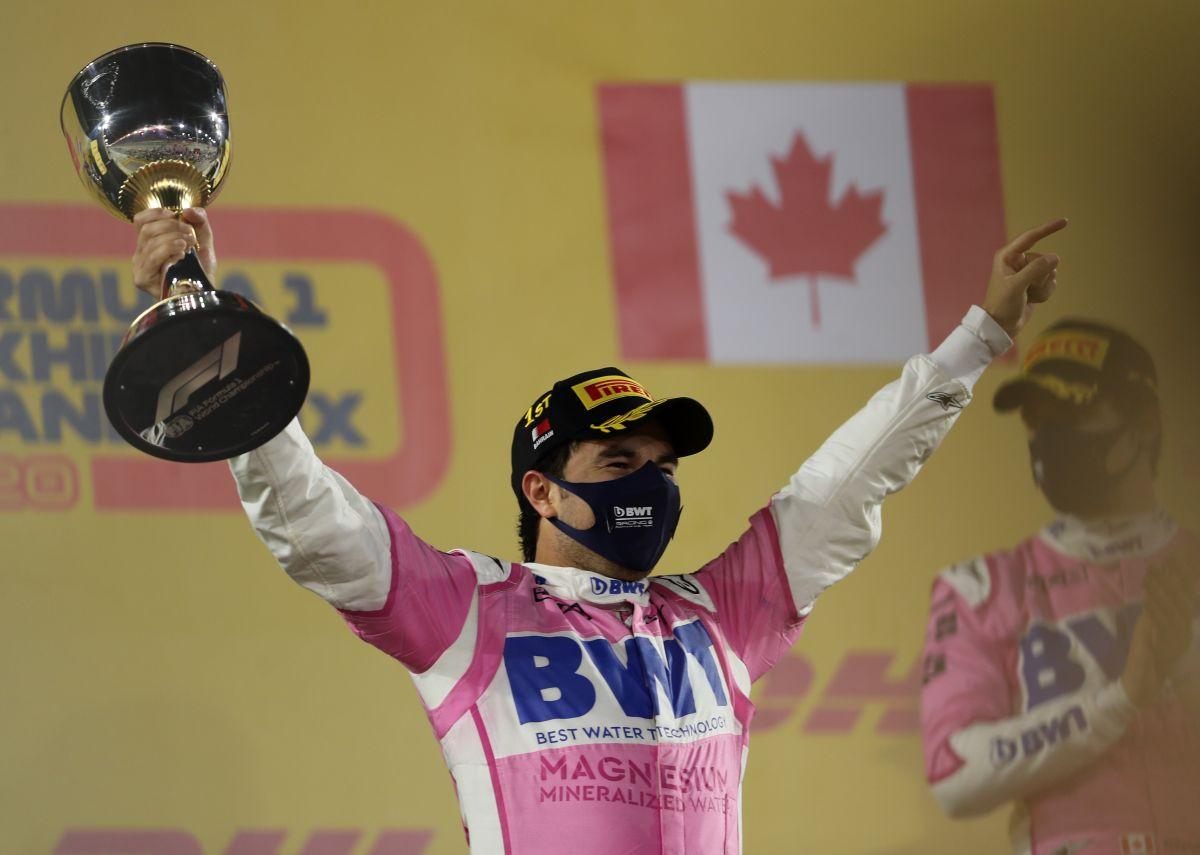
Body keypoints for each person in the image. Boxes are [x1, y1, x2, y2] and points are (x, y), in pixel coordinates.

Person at [132, 207, 1064, 854]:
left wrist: (978, 336)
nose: (653, 486)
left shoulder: (722, 612)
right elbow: (316, 523)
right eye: (620, 465)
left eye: (663, 466)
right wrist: (226, 360)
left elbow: (849, 478)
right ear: (542, 489)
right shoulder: (468, 609)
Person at [920, 319, 1200, 855]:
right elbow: (955, 772)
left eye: (1074, 409)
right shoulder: (984, 587)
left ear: (1145, 421)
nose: (1050, 437)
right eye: (1037, 418)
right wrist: (1121, 700)